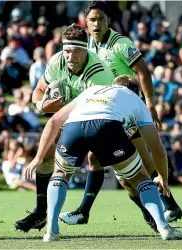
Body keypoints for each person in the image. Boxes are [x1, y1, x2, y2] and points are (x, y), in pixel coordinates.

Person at [60, 0, 182, 226]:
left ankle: (164, 207)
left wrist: (150, 105)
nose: (96, 24)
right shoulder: (87, 46)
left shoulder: (120, 43)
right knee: (105, 159)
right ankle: (169, 206)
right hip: (108, 110)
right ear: (85, 22)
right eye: (92, 20)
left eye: (101, 19)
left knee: (130, 162)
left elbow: (143, 72)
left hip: (126, 110)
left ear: (108, 21)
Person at [24, 75, 182, 241]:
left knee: (60, 174)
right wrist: (163, 178)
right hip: (107, 126)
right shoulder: (135, 100)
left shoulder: (92, 91)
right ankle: (164, 228)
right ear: (136, 92)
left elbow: (53, 122)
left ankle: (51, 231)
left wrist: (38, 157)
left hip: (74, 127)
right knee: (140, 178)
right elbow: (157, 148)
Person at [14, 24, 115, 232]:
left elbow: (90, 111)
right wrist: (43, 105)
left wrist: (56, 107)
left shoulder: (98, 73)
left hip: (99, 117)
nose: (70, 56)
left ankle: (159, 210)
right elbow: (38, 91)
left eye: (76, 51)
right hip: (70, 118)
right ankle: (42, 213)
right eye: (67, 51)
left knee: (124, 173)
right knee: (52, 157)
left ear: (86, 49)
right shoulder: (57, 61)